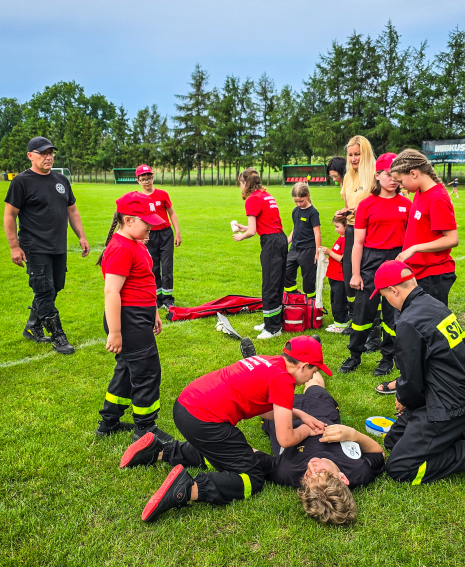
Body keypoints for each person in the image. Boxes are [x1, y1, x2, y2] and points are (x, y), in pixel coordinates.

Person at [120, 337, 331, 523]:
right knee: (253, 477)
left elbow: (265, 410)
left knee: (224, 453)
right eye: (315, 371)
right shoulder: (284, 380)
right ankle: (187, 489)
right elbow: (285, 439)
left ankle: (158, 451)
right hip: (204, 420)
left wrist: (300, 414)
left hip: (186, 405)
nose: (313, 376)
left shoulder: (271, 362)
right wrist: (305, 429)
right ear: (303, 366)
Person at [372, 260, 465, 487]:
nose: (388, 302)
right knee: (393, 441)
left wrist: (403, 398)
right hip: (458, 391)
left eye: (385, 296)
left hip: (450, 404)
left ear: (394, 290)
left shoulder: (408, 322)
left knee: (400, 468)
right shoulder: (432, 303)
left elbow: (412, 382)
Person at [94, 192, 174, 442]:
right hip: (128, 321)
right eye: (146, 222)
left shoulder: (136, 243)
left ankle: (108, 423)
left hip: (140, 316)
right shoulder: (120, 248)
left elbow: (144, 283)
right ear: (128, 221)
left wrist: (154, 313)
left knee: (127, 371)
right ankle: (145, 428)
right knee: (147, 372)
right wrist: (116, 332)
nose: (152, 226)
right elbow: (112, 291)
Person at [257, 371, 385, 525]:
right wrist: (353, 434)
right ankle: (311, 365)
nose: (311, 466)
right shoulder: (359, 470)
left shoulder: (288, 470)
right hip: (323, 412)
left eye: (307, 477)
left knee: (266, 389)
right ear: (343, 478)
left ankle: (256, 368)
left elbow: (252, 455)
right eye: (321, 472)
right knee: (314, 384)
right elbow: (379, 453)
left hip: (283, 414)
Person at [4, 136, 90, 355]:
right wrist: (14, 246)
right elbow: (9, 215)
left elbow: (72, 210)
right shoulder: (21, 182)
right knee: (44, 290)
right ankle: (58, 336)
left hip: (58, 245)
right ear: (30, 155)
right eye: (43, 153)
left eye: (51, 153)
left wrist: (81, 236)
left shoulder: (61, 180)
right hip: (34, 246)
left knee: (55, 288)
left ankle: (33, 325)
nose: (48, 157)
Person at [340, 153, 411, 377]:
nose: (393, 179)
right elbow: (357, 243)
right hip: (371, 261)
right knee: (363, 311)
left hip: (396, 262)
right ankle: (355, 355)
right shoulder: (366, 205)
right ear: (377, 175)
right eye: (388, 174)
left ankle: (387, 358)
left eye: (396, 175)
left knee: (393, 314)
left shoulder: (407, 205)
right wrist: (355, 274)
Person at [391, 149, 459, 307]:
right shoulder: (420, 193)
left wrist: (414, 248)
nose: (400, 187)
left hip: (433, 275)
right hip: (419, 272)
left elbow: (452, 239)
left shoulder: (437, 198)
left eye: (401, 181)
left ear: (413, 173)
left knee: (429, 325)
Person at [232, 168, 287, 339]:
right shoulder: (266, 195)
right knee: (276, 285)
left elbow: (253, 232)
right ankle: (273, 321)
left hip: (271, 243)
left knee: (269, 285)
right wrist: (245, 226)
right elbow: (265, 222)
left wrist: (241, 236)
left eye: (240, 183)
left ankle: (272, 329)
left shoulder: (252, 199)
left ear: (244, 183)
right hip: (280, 239)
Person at [335, 136, 377, 331]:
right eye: (350, 155)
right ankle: (356, 318)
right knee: (349, 277)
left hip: (369, 231)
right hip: (352, 230)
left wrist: (358, 211)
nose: (353, 158)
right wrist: (342, 213)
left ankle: (372, 323)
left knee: (366, 277)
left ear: (365, 154)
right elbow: (347, 206)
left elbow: (378, 206)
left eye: (357, 154)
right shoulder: (349, 176)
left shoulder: (374, 175)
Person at [135, 164, 181, 309]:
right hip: (149, 236)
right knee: (152, 268)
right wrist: (139, 236)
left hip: (166, 234)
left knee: (167, 267)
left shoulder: (162, 194)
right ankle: (156, 298)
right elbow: (137, 219)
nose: (147, 181)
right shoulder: (138, 198)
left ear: (153, 177)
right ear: (138, 181)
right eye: (143, 179)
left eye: (149, 178)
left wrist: (177, 232)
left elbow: (171, 213)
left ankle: (168, 299)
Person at [284, 182, 321, 299]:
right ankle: (293, 296)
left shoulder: (313, 213)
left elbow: (317, 233)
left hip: (308, 250)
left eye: (301, 201)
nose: (298, 204)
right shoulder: (295, 211)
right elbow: (295, 229)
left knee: (308, 279)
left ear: (308, 196)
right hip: (294, 248)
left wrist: (317, 252)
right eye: (296, 201)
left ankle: (311, 302)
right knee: (286, 272)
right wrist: (286, 243)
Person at [320, 215, 350, 333]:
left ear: (346, 226)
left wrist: (329, 252)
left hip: (340, 277)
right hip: (334, 276)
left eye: (337, 226)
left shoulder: (346, 240)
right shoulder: (341, 238)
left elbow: (342, 258)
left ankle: (341, 324)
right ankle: (338, 322)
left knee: (339, 301)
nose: (335, 229)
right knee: (334, 299)